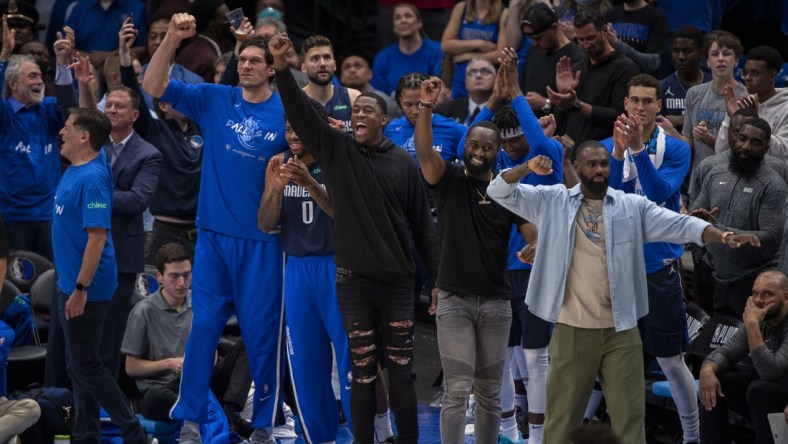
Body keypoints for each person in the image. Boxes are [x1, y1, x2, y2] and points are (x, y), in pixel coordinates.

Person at [487, 139, 760, 443]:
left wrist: (723, 235)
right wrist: (526, 167)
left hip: (622, 333)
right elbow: (498, 190)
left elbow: (681, 225)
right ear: (576, 167)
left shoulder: (632, 206)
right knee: (561, 422)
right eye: (591, 164)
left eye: (604, 163)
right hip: (572, 330)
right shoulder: (553, 200)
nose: (600, 169)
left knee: (630, 422)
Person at [270, 33, 440, 444]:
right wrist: (280, 65)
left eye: (368, 110)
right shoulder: (338, 152)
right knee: (361, 370)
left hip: (400, 283)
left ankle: (407, 440)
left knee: (400, 369)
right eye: (356, 109)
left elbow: (424, 228)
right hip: (353, 282)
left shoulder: (403, 163)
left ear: (384, 120)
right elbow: (301, 112)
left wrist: (435, 282)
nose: (360, 114)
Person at [143, 14, 288, 444]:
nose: (245, 66)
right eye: (241, 59)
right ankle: (190, 419)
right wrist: (171, 37)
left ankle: (263, 423)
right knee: (203, 328)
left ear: (271, 68)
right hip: (212, 239)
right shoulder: (215, 99)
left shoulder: (286, 110)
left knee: (262, 339)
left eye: (254, 61)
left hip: (264, 243)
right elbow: (153, 86)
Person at [415, 65, 541, 443]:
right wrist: (425, 107)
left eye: (487, 147)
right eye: (474, 145)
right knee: (456, 390)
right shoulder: (449, 180)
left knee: (488, 393)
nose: (479, 152)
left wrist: (534, 244)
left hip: (497, 302)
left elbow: (529, 227)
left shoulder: (506, 190)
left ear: (496, 152)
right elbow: (423, 151)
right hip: (454, 299)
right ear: (464, 147)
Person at [601, 73, 699, 444]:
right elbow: (607, 199)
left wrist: (639, 151)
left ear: (659, 106)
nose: (640, 107)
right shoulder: (606, 144)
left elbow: (658, 194)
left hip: (658, 268)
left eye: (647, 101)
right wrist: (617, 154)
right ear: (624, 104)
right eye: (634, 101)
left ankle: (693, 436)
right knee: (612, 361)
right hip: (617, 268)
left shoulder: (677, 149)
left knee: (670, 360)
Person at [53, 107, 153, 444]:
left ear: (84, 137)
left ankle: (132, 432)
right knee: (77, 366)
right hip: (68, 283)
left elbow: (97, 237)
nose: (61, 132)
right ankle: (86, 435)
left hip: (87, 288)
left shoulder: (93, 178)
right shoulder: (76, 168)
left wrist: (81, 289)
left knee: (87, 366)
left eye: (67, 128)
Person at [257, 100, 353, 444]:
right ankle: (317, 436)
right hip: (296, 269)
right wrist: (276, 192)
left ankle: (366, 433)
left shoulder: (338, 159)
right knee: (305, 364)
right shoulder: (278, 163)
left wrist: (310, 184)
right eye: (288, 129)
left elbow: (346, 216)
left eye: (299, 127)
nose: (293, 135)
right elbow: (266, 223)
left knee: (351, 362)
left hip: (338, 267)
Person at [117, 18, 202, 263]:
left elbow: (227, 83)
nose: (186, 98)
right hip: (165, 232)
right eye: (177, 96)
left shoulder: (203, 128)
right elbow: (133, 93)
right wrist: (124, 54)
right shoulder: (154, 129)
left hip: (200, 233)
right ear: (163, 105)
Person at [690, 117, 787, 317]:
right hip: (714, 276)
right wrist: (701, 259)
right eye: (742, 138)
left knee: (746, 345)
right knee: (708, 344)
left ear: (767, 148)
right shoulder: (715, 174)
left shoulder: (773, 185)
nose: (745, 146)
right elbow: (696, 217)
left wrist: (719, 228)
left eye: (755, 142)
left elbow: (771, 238)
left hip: (752, 284)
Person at [0, 20, 78, 260]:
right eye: (32, 76)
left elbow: (69, 107)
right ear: (13, 84)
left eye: (41, 77)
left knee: (49, 282)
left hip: (48, 215)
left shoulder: (47, 110)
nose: (40, 82)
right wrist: (4, 57)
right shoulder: (4, 115)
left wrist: (63, 63)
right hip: (11, 217)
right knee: (13, 286)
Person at [100, 83, 162, 378]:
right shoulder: (93, 143)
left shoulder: (148, 154)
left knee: (112, 333)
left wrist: (93, 195)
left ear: (135, 114)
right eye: (109, 104)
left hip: (122, 251)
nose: (111, 110)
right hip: (85, 244)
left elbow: (138, 199)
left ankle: (107, 401)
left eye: (119, 106)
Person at [699, 270, 788, 444]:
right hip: (771, 400)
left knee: (759, 390)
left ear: (786, 297)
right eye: (755, 293)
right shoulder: (759, 318)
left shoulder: (756, 321)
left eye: (767, 294)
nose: (758, 301)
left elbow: (771, 372)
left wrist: (753, 326)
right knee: (718, 379)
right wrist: (707, 369)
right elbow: (726, 352)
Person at [121, 242, 193, 421]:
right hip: (163, 388)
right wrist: (169, 364)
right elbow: (131, 368)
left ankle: (228, 410)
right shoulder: (143, 311)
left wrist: (203, 363)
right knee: (156, 396)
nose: (182, 283)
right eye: (174, 276)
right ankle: (201, 412)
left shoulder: (200, 302)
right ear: (159, 277)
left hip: (196, 382)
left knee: (243, 346)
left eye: (187, 275)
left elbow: (213, 352)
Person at [547, 8, 639, 145]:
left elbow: (621, 116)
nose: (586, 44)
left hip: (603, 155)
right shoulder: (577, 68)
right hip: (572, 155)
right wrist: (563, 98)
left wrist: (577, 104)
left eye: (590, 38)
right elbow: (562, 120)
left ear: (604, 30)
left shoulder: (625, 68)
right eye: (580, 39)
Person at [680, 30, 746, 171]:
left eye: (727, 54)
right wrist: (671, 133)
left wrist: (707, 138)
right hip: (699, 178)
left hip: (731, 177)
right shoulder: (694, 93)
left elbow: (742, 150)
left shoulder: (745, 97)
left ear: (736, 61)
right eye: (715, 54)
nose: (721, 59)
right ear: (708, 62)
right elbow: (689, 142)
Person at [715, 45, 788, 158]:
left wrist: (755, 121)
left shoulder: (785, 108)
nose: (748, 78)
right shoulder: (743, 104)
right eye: (746, 72)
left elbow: (782, 153)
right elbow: (720, 151)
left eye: (755, 73)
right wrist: (732, 117)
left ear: (772, 76)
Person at [518, 2, 585, 117]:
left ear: (554, 27)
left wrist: (545, 104)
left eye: (538, 38)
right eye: (531, 38)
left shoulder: (576, 58)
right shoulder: (533, 51)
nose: (534, 43)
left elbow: (576, 106)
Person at [385, 72, 465, 161]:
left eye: (420, 104)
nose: (415, 111)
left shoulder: (454, 129)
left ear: (432, 100)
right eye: (408, 105)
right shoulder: (391, 129)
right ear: (400, 102)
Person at [372, 2, 443, 97]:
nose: (403, 20)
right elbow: (379, 95)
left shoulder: (438, 51)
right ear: (394, 27)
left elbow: (441, 86)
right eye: (398, 18)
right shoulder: (382, 58)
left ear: (419, 23)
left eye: (408, 16)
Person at [441, 0, 507, 99]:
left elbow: (502, 55)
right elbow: (446, 45)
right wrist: (479, 44)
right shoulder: (461, 8)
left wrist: (469, 56)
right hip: (460, 79)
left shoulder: (504, 13)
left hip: (488, 83)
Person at [300, 35, 360, 132]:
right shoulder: (296, 101)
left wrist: (344, 138)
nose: (322, 64)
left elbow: (367, 142)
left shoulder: (353, 97)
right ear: (303, 68)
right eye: (315, 58)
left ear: (335, 65)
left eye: (327, 57)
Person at [658, 25, 710, 134]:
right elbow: (652, 125)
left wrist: (682, 120)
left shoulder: (713, 85)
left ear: (701, 53)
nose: (681, 57)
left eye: (687, 51)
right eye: (676, 51)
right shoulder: (661, 87)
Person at [64, 0, 148, 67]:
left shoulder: (137, 7)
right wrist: (89, 58)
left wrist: (110, 57)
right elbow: (66, 46)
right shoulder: (80, 7)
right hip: (85, 70)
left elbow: (144, 49)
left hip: (122, 70)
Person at [604, 0, 669, 75]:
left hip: (639, 81)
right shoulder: (610, 14)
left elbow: (652, 64)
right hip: (613, 77)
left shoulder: (656, 18)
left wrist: (618, 45)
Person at [434, 57, 496, 125]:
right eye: (473, 72)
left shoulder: (505, 111)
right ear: (466, 82)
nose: (478, 76)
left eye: (484, 72)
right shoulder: (445, 111)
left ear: (495, 80)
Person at [339, 54, 400, 119]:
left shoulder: (385, 103)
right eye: (347, 67)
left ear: (370, 74)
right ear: (341, 77)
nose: (352, 70)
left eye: (358, 66)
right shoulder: (333, 101)